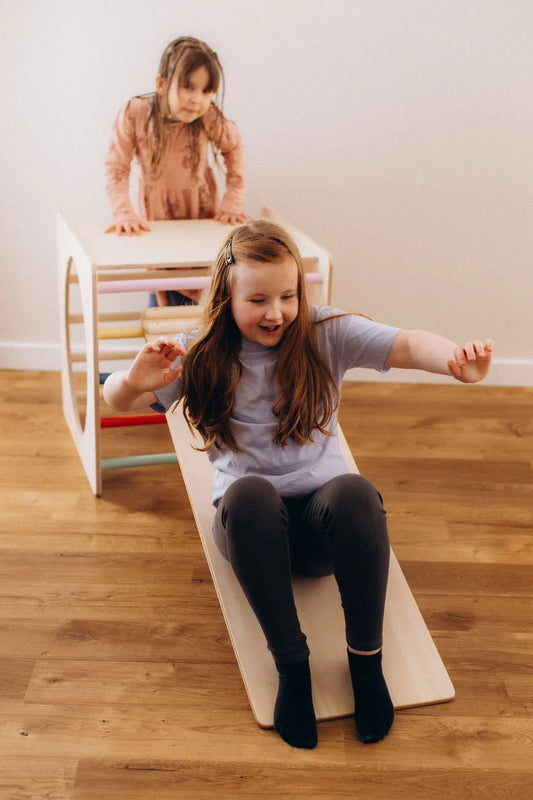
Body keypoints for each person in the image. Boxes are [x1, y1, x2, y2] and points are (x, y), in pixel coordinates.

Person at [103, 219, 494, 750]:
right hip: (252, 533)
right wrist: (132, 382)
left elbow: (406, 344)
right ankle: (292, 668)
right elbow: (116, 401)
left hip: (319, 536)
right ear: (227, 296)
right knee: (248, 494)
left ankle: (366, 664)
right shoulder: (196, 353)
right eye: (258, 299)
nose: (276, 312)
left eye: (287, 295)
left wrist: (453, 361)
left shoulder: (324, 331)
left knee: (355, 491)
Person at [104, 36, 246, 306]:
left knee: (208, 296)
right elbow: (116, 167)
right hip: (158, 223)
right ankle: (159, 347)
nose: (197, 100)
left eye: (206, 91)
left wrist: (233, 200)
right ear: (161, 84)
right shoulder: (136, 114)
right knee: (161, 295)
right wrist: (123, 211)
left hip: (200, 218)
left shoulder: (208, 117)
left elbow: (235, 146)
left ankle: (203, 346)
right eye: (188, 87)